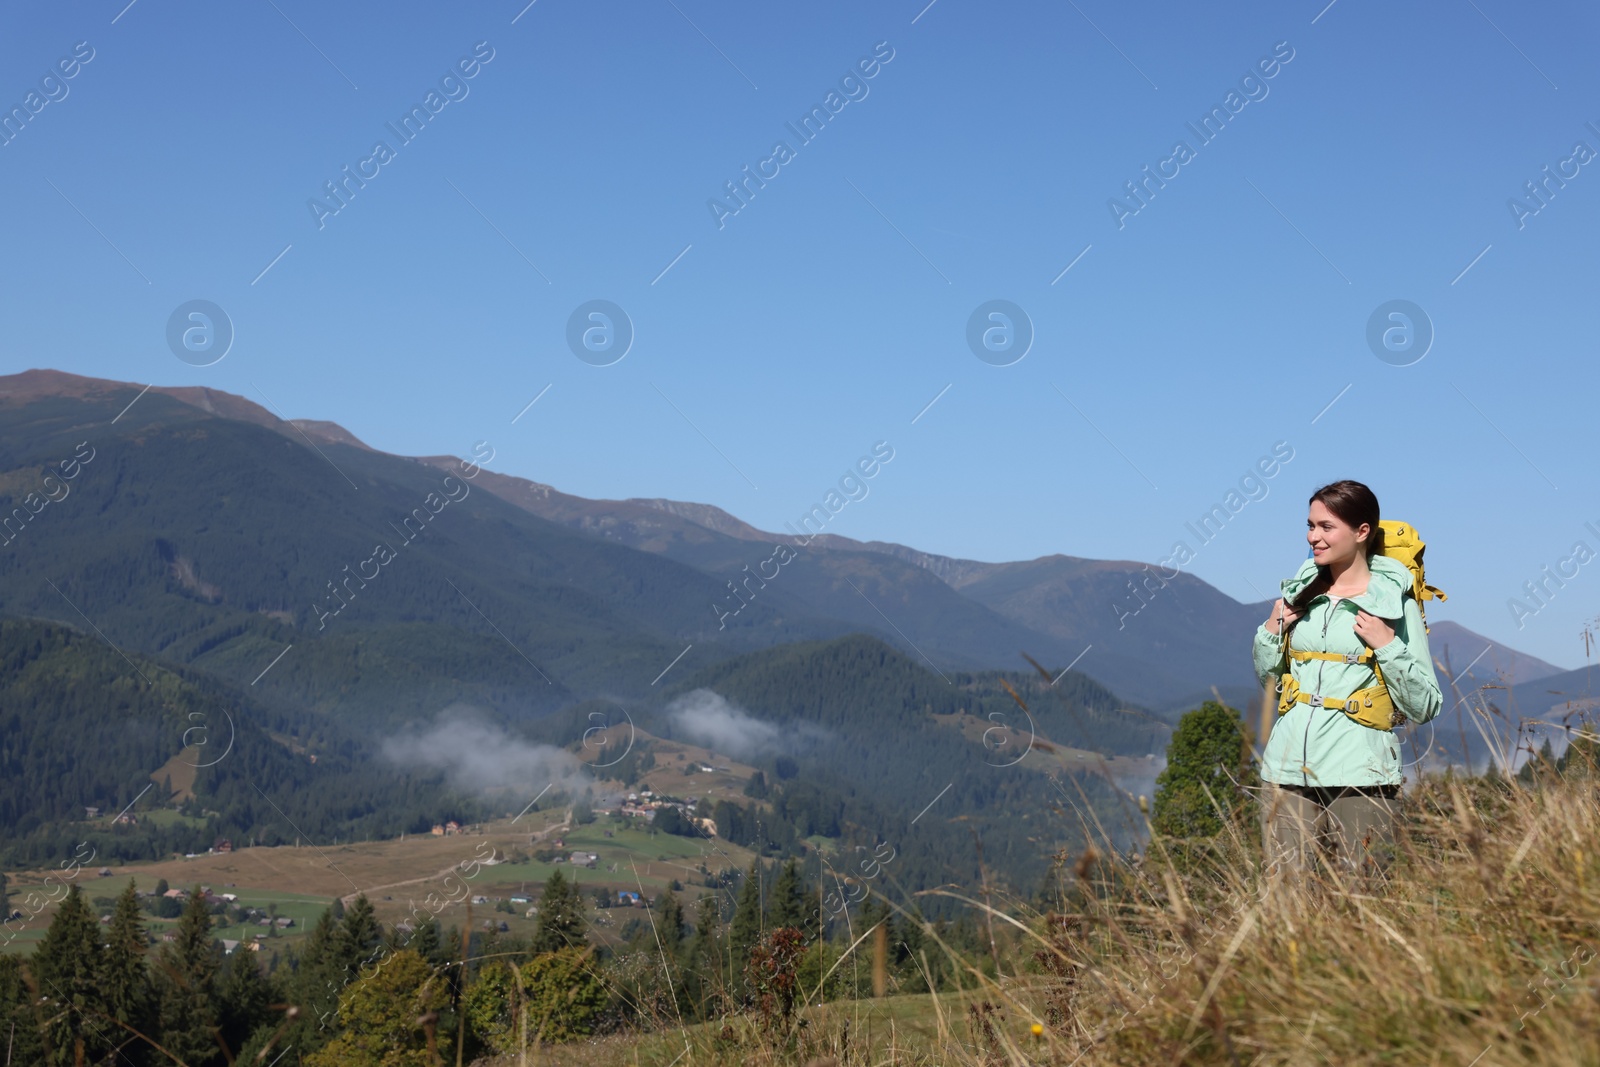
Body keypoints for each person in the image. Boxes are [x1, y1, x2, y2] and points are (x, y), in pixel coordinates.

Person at [1252, 479, 1442, 879]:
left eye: (1326, 527)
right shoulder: (1300, 593)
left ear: (1361, 532)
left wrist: (1388, 646)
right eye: (1310, 526)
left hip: (1362, 777)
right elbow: (1269, 682)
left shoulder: (1394, 601)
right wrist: (1271, 631)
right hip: (1286, 774)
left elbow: (1425, 705)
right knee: (1287, 905)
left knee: (1363, 905)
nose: (1313, 537)